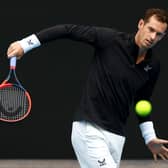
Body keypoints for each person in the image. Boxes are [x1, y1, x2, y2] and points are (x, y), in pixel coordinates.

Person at [7, 8, 168, 168]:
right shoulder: (110, 40)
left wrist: (149, 137)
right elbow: (67, 30)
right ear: (141, 24)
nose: (153, 37)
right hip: (89, 129)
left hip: (117, 136)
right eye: (151, 29)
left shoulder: (153, 65)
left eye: (159, 34)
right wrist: (25, 44)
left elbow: (142, 101)